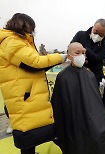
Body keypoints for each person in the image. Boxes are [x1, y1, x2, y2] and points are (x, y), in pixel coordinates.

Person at [0, 13, 66, 154]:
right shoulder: (11, 41)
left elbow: (32, 64)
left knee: (30, 129)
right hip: (25, 95)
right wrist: (62, 57)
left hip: (25, 94)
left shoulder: (16, 41)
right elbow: (35, 63)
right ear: (23, 24)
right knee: (30, 128)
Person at [51, 42, 105, 154]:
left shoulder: (90, 75)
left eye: (83, 53)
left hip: (94, 115)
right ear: (69, 55)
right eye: (77, 53)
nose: (81, 55)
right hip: (75, 119)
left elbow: (96, 100)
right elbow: (59, 105)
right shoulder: (63, 77)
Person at [71, 19, 105, 84]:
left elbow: (100, 60)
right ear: (93, 27)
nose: (97, 35)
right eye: (96, 32)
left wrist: (87, 51)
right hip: (76, 73)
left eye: (101, 34)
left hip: (94, 76)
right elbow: (71, 48)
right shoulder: (80, 35)